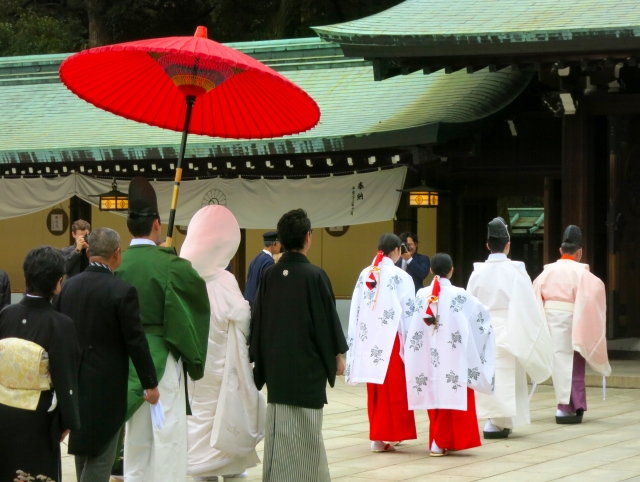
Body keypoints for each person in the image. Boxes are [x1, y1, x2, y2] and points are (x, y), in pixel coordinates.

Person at [115, 177, 211, 482]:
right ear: (158, 224)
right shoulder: (171, 264)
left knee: (136, 436)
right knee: (167, 435)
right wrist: (172, 261)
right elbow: (196, 298)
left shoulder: (118, 263)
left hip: (125, 362)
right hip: (161, 360)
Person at [54, 227, 159, 482]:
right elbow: (136, 341)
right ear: (117, 253)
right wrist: (150, 383)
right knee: (102, 457)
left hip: (74, 383)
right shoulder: (122, 290)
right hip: (107, 386)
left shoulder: (68, 288)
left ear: (88, 252)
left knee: (84, 452)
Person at [250, 208, 348, 482]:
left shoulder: (269, 276)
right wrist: (336, 358)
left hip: (278, 370)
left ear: (280, 240)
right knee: (308, 432)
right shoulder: (315, 276)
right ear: (308, 237)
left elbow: (258, 323)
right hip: (308, 371)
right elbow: (326, 323)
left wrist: (260, 361)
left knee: (281, 431)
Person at [181, 206, 266, 481]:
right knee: (223, 417)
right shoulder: (225, 280)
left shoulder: (183, 280)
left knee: (196, 420)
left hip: (194, 369)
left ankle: (199, 471)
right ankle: (227, 468)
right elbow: (242, 316)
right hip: (221, 369)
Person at [467, 217, 553, 438]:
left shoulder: (477, 272)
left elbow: (469, 305)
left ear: (488, 245)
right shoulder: (516, 271)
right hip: (509, 326)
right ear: (507, 245)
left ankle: (497, 421)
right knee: (505, 375)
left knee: (491, 374)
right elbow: (527, 305)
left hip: (484, 329)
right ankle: (497, 422)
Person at [0, 246, 80, 481]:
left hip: (3, 409)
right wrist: (68, 420)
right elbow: (66, 377)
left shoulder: (6, 314)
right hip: (38, 417)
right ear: (58, 282)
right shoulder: (60, 324)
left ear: (26, 277)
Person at [404, 253, 495, 456]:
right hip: (453, 354)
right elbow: (481, 318)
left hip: (428, 354)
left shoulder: (421, 295)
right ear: (452, 270)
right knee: (449, 393)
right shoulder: (460, 295)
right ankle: (439, 441)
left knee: (434, 392)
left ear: (430, 270)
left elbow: (413, 326)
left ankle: (439, 441)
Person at [345, 233, 417, 453]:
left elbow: (356, 308)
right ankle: (388, 435)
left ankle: (378, 436)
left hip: (369, 338)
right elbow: (409, 311)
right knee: (393, 388)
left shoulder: (365, 273)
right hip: (391, 339)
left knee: (376, 389)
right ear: (396, 250)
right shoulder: (399, 275)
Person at [533, 225, 611, 424]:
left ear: (561, 251)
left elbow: (534, 296)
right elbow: (593, 295)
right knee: (574, 364)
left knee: (560, 364)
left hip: (550, 323)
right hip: (573, 320)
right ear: (579, 252)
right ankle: (569, 408)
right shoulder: (582, 274)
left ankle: (565, 406)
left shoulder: (546, 273)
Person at [244, 231, 280, 310]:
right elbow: (268, 288)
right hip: (258, 306)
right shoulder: (269, 262)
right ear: (274, 244)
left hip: (249, 303)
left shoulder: (256, 259)